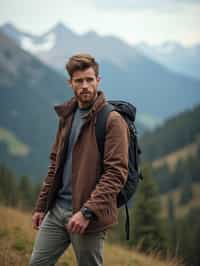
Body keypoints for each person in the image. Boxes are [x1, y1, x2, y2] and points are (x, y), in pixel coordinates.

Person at [29, 53, 130, 266]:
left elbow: (116, 174)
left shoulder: (112, 120)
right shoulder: (68, 115)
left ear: (98, 81)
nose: (85, 86)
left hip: (89, 216)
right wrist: (41, 206)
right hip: (56, 211)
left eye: (89, 80)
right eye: (79, 81)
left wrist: (87, 212)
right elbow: (55, 164)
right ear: (70, 83)